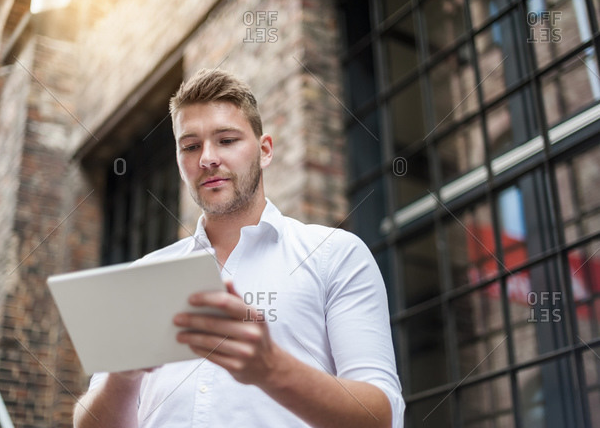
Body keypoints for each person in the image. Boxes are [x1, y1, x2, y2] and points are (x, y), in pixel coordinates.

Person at [73, 68, 404, 428]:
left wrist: (272, 368)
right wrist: (123, 376)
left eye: (226, 140)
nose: (207, 158)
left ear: (264, 151)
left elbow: (382, 417)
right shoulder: (142, 278)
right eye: (191, 146)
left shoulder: (334, 255)